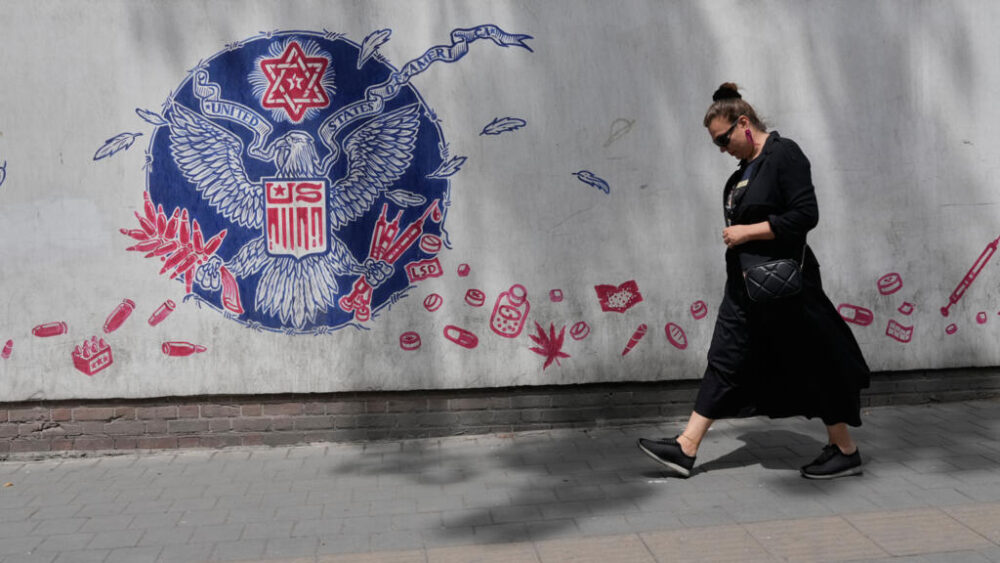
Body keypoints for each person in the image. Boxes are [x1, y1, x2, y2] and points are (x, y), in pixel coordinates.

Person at [638, 83, 871, 479]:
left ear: (744, 123)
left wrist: (748, 232)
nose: (722, 149)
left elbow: (805, 215)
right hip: (746, 287)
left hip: (785, 288)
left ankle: (844, 448)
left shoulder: (784, 155)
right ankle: (686, 446)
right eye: (716, 144)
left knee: (815, 361)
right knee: (724, 357)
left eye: (723, 139)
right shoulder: (747, 169)